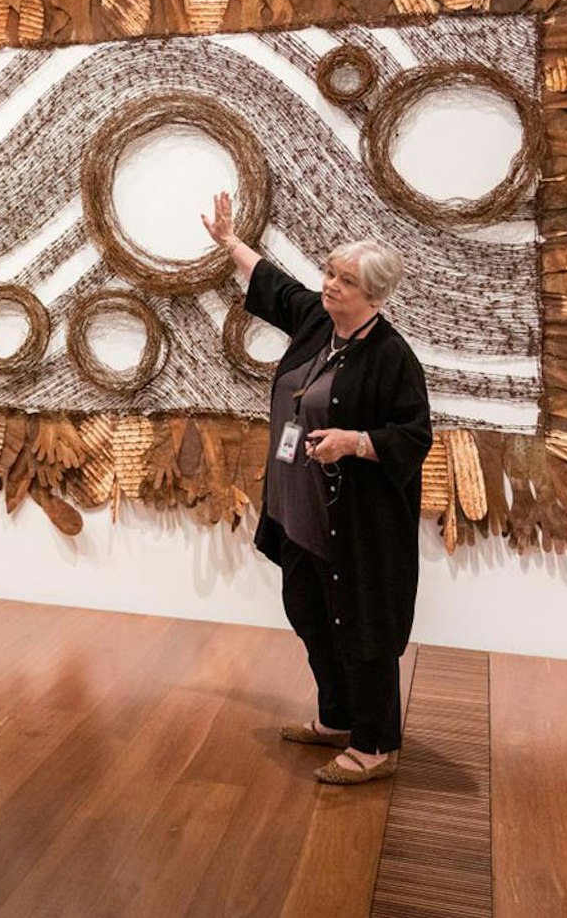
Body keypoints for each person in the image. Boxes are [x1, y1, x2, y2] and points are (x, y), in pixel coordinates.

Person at [204, 193, 437, 785]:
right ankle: (336, 718)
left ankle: (375, 745)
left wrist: (355, 442)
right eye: (330, 273)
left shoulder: (392, 358)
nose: (330, 285)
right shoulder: (318, 322)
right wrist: (230, 242)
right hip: (296, 510)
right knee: (309, 615)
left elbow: (414, 435)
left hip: (356, 525)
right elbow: (276, 286)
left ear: (376, 297)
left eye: (346, 280)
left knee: (363, 631)